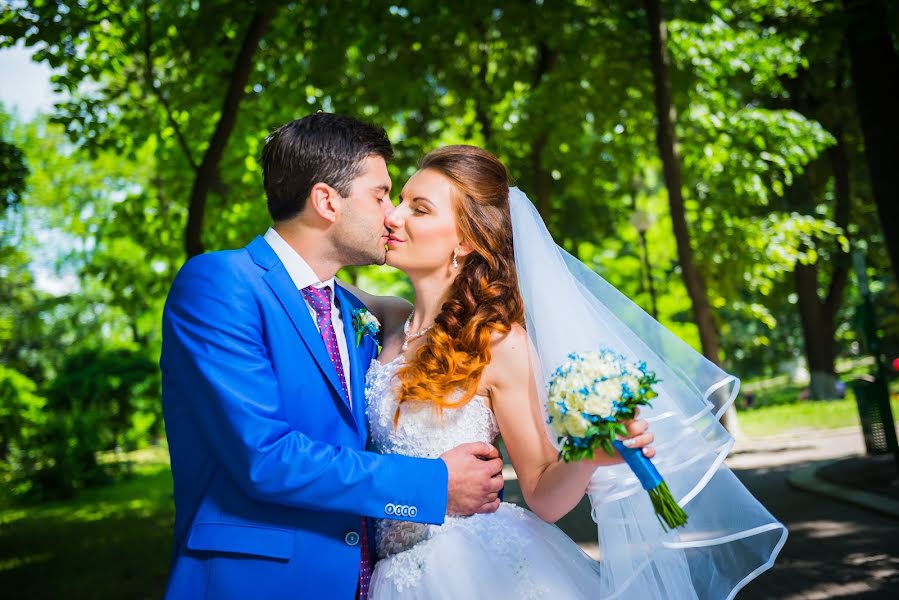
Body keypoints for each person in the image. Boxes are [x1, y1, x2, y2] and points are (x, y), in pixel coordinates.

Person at [353, 145, 786, 599]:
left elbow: (542, 492)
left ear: (464, 240)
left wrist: (589, 455)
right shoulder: (386, 322)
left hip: (467, 572)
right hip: (387, 572)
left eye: (418, 209)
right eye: (397, 201)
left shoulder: (497, 343)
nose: (393, 217)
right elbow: (307, 269)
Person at [159, 115, 505, 600]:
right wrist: (434, 484)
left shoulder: (361, 314)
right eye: (381, 195)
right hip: (257, 582)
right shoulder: (222, 283)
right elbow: (265, 457)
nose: (391, 215)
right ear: (326, 201)